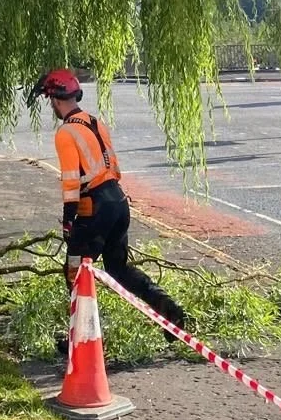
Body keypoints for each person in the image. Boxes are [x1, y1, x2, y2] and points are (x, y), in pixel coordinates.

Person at [31, 68, 189, 339]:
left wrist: (69, 222)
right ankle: (166, 307)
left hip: (95, 207)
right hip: (117, 200)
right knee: (118, 268)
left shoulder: (66, 133)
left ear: (55, 100)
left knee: (75, 269)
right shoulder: (94, 122)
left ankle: (82, 340)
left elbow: (71, 183)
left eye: (50, 100)